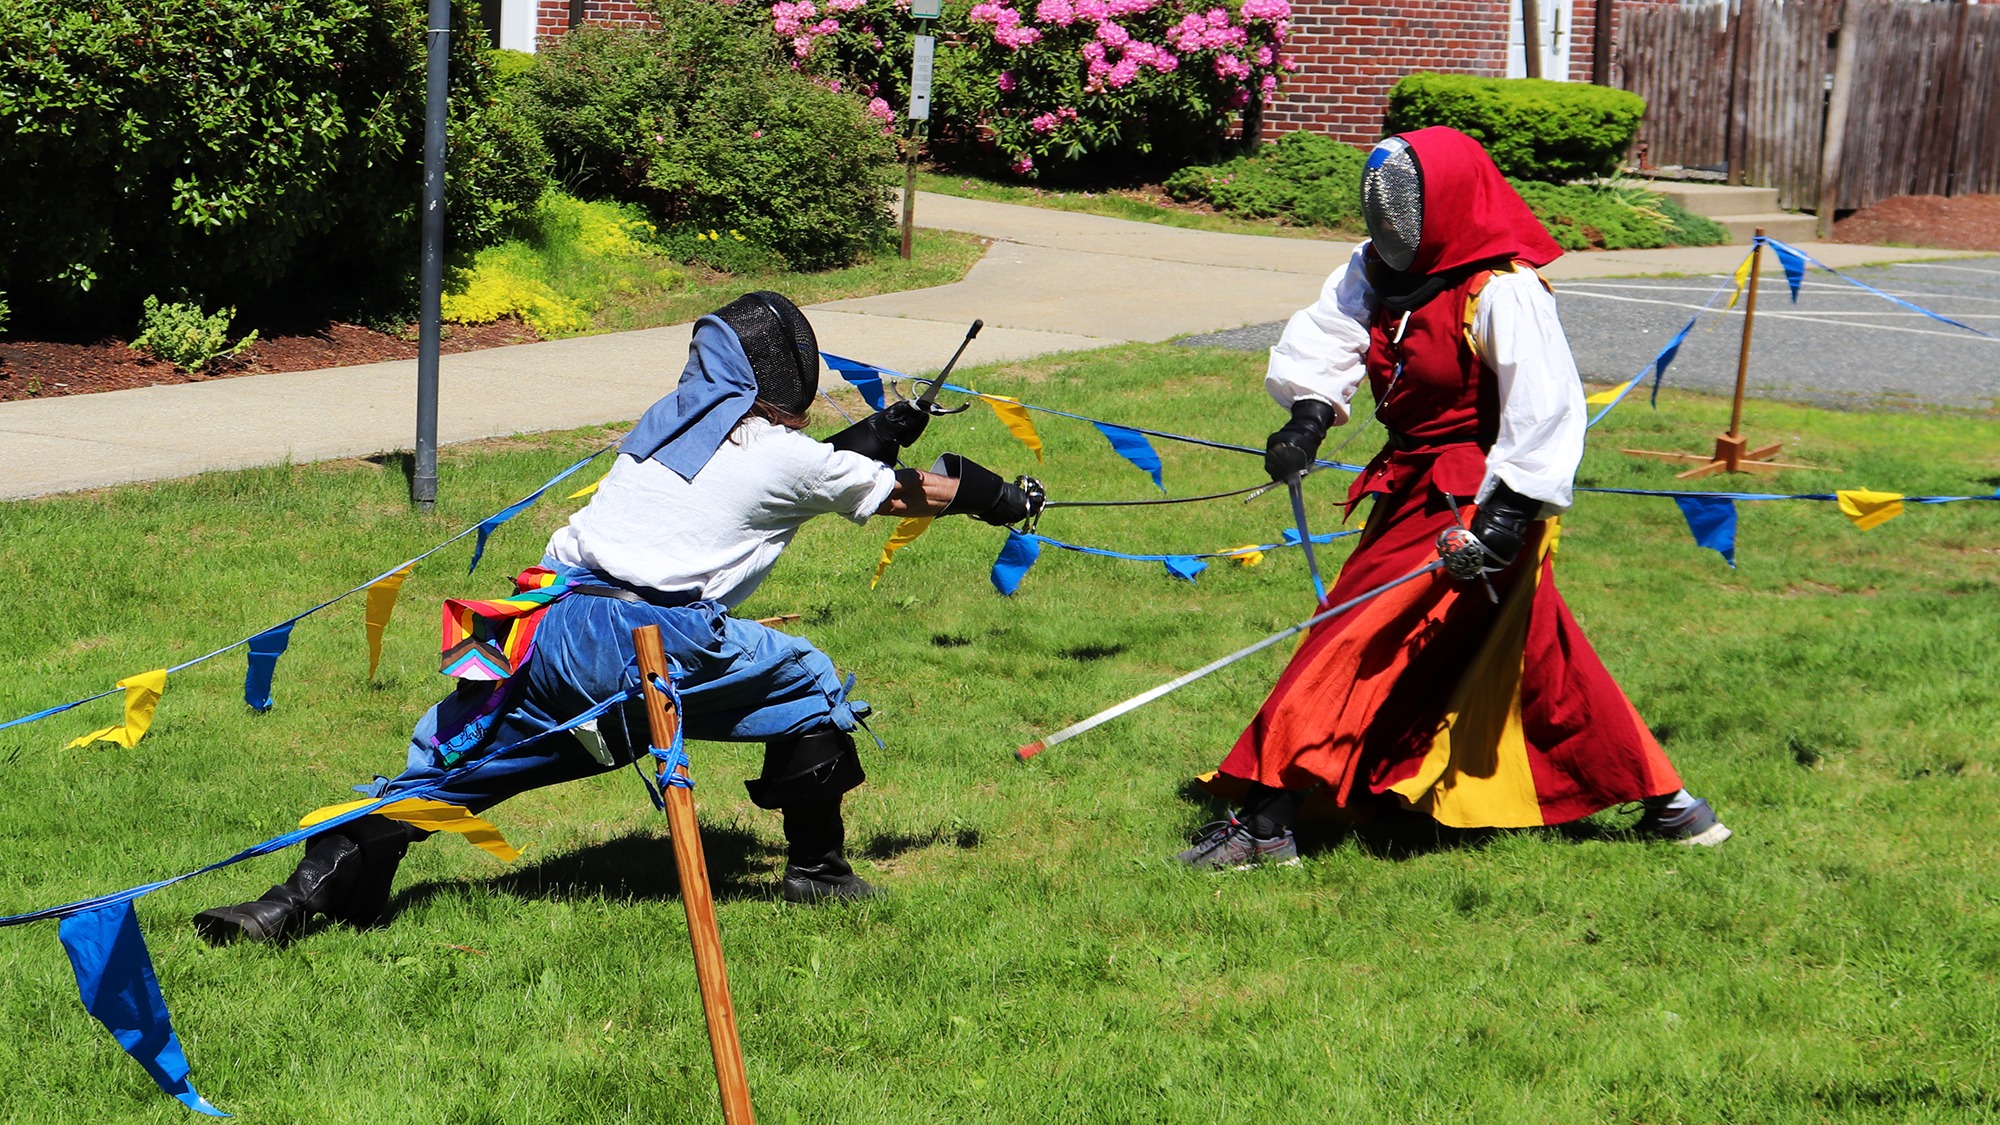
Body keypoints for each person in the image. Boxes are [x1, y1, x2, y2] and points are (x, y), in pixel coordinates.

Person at [195, 291, 1035, 943]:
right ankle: (818, 871)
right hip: (642, 642)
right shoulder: (786, 456)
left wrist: (881, 427)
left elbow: (789, 470)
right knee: (808, 677)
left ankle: (300, 900)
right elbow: (891, 491)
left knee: (452, 758)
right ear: (786, 375)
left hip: (537, 616)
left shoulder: (663, 430)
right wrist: (997, 495)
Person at [1176, 127, 1729, 869]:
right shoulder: (1376, 271)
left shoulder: (1503, 288)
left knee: (1358, 637)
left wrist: (1504, 515)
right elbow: (1332, 332)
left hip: (1476, 494)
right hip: (1409, 479)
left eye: (1406, 204)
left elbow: (1548, 406)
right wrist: (1307, 418)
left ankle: (1270, 822)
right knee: (1534, 652)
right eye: (1384, 204)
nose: (1390, 221)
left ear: (1449, 202)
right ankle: (1671, 805)